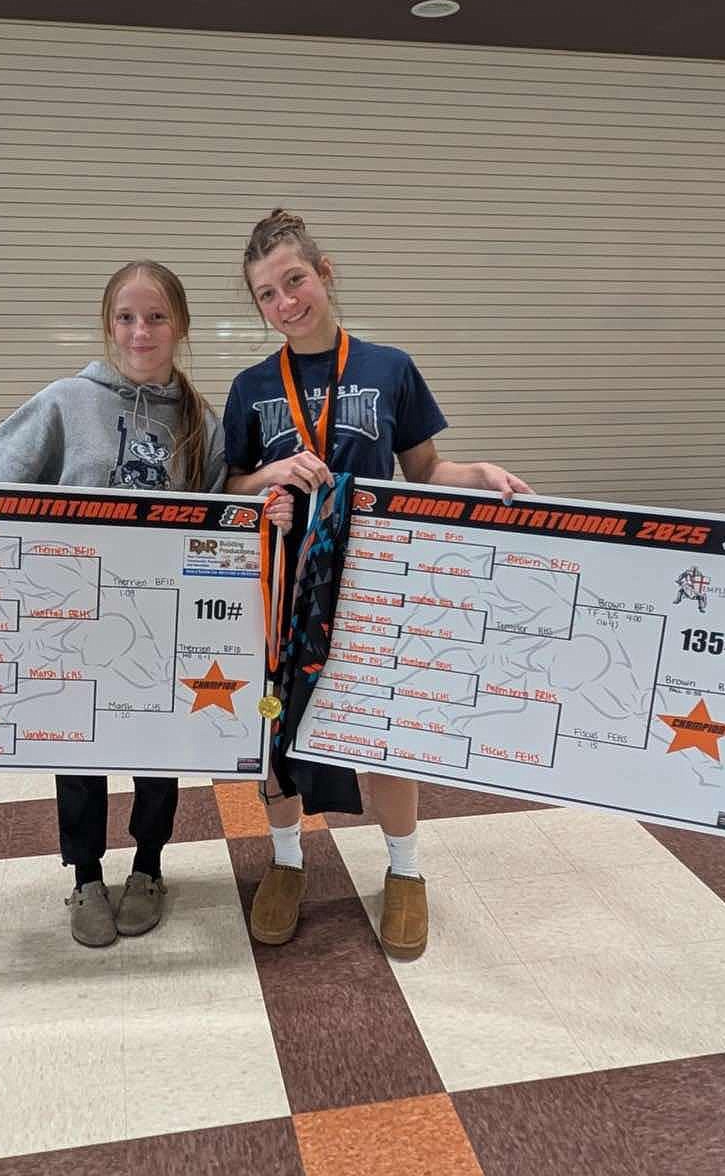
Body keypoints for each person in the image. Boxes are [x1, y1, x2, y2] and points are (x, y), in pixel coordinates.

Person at [0, 260, 292, 947]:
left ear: (181, 326)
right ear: (109, 325)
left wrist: (264, 505)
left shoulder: (198, 418)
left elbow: (219, 512)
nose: (141, 332)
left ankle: (148, 865)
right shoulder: (64, 403)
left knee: (156, 749)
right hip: (72, 621)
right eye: (126, 318)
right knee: (76, 750)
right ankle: (83, 876)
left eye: (156, 317)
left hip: (158, 624)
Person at [222, 209, 532, 959]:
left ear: (323, 274)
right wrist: (269, 472)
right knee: (277, 732)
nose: (285, 302)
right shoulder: (251, 385)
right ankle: (289, 861)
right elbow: (231, 483)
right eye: (267, 293)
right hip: (284, 594)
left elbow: (425, 470)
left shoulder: (389, 367)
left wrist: (481, 474)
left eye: (294, 281)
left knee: (387, 733)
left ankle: (405, 872)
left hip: (377, 584)